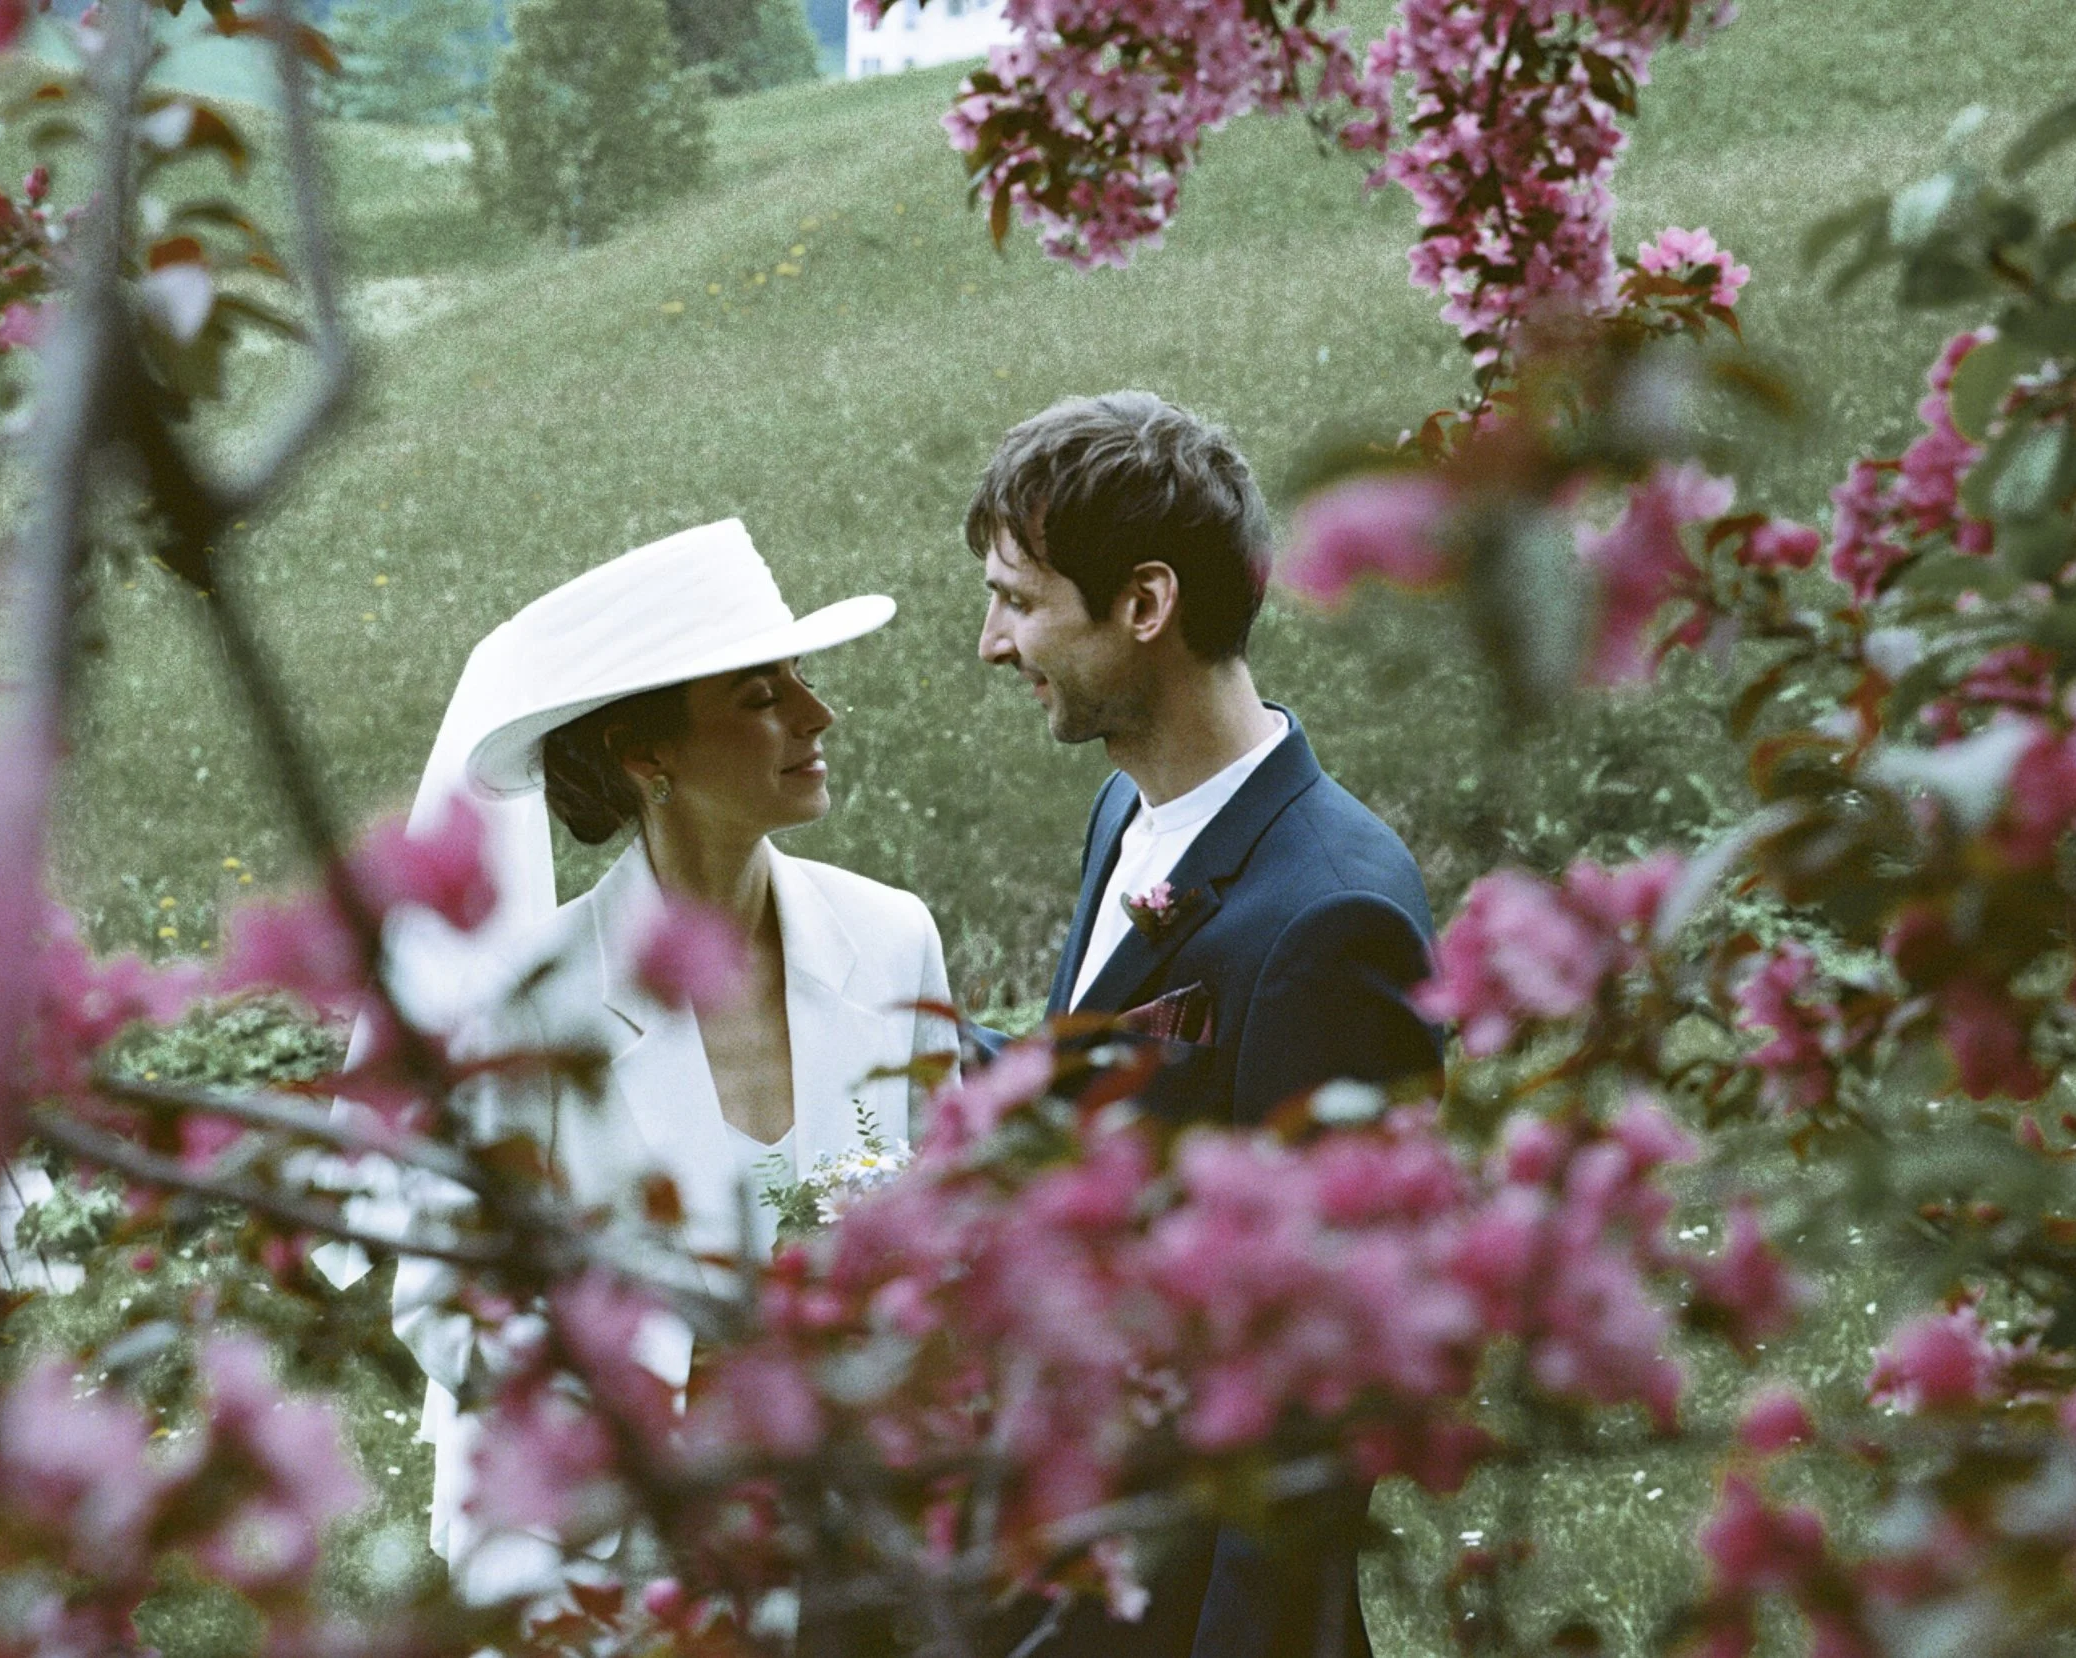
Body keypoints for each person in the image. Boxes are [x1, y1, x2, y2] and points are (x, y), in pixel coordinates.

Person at [384, 517, 959, 1596]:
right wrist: (684, 1370)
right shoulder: (534, 1014)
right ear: (646, 753)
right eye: (759, 695)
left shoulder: (891, 940)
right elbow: (444, 1304)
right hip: (614, 1571)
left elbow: (953, 1231)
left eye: (802, 678)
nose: (817, 713)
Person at [969, 393, 1443, 1658]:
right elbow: (1110, 1090)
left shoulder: (1330, 920)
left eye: (1019, 600)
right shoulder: (1127, 813)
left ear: (1144, 604)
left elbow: (1320, 1386)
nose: (990, 641)